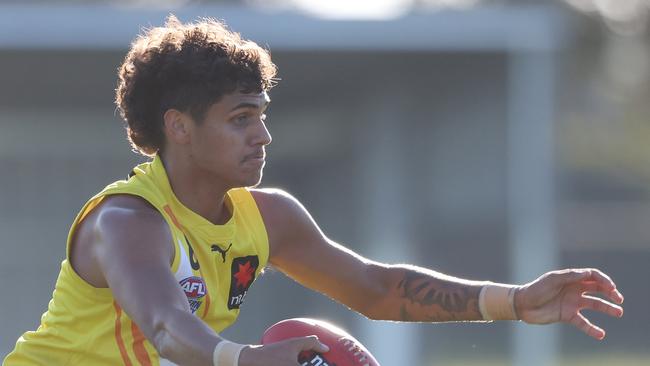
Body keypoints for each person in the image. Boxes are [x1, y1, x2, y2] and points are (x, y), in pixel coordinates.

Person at [3, 15, 624, 366]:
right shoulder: (127, 220)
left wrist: (517, 300)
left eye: (263, 115)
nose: (264, 135)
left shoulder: (267, 217)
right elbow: (166, 326)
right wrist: (247, 361)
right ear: (179, 128)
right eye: (241, 118)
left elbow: (376, 288)